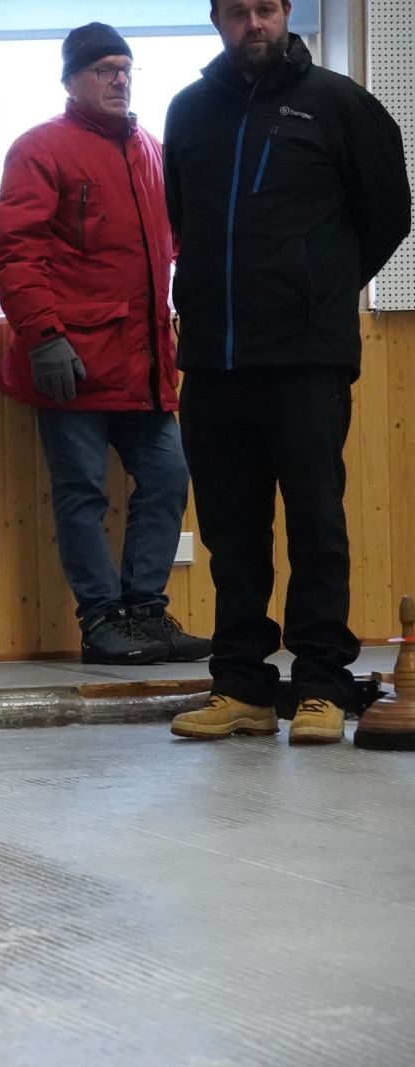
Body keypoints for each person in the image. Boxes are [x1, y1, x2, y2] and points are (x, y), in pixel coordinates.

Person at [164, 0, 410, 743]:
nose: (255, 25)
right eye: (238, 12)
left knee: (315, 524)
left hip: (306, 356)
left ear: (287, 12)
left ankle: (321, 686)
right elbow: (183, 217)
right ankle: (240, 684)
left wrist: (319, 289)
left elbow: (388, 215)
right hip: (213, 357)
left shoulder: (340, 105)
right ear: (216, 20)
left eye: (266, 9)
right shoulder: (188, 111)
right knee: (230, 532)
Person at [0, 23, 211, 666]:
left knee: (169, 476)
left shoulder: (152, 149)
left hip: (144, 363)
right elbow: (15, 252)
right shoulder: (40, 148)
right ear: (70, 80)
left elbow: (173, 247)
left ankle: (145, 614)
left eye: (126, 68)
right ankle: (101, 622)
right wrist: (44, 336)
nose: (119, 79)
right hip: (72, 362)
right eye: (104, 69)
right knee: (82, 491)